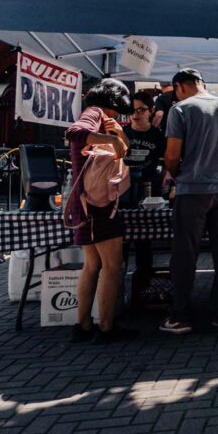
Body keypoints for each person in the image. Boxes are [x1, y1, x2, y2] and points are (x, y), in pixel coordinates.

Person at [161, 69, 218, 334]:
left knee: (185, 253)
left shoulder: (180, 109)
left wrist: (178, 173)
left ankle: (180, 316)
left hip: (192, 190)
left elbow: (172, 155)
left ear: (179, 87)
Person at [65, 79, 134, 344]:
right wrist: (111, 139)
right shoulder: (94, 113)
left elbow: (120, 149)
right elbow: (74, 132)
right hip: (98, 205)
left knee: (92, 265)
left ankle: (82, 325)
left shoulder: (100, 116)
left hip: (82, 204)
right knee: (112, 266)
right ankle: (106, 326)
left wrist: (118, 135)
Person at [122, 90, 166, 293]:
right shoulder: (123, 133)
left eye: (141, 110)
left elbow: (166, 161)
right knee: (120, 241)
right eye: (132, 110)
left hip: (149, 191)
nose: (136, 114)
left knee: (144, 240)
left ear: (151, 111)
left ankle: (144, 286)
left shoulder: (158, 136)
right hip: (123, 192)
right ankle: (117, 284)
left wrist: (166, 178)